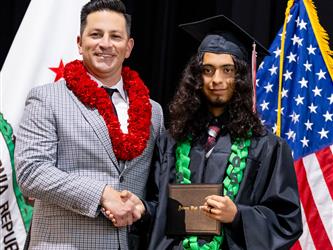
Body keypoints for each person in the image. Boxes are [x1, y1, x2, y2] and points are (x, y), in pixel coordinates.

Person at [143, 15, 303, 249]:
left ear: (240, 78)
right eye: (208, 70)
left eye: (227, 70)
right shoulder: (170, 142)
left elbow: (287, 221)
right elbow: (158, 206)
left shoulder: (268, 147)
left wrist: (238, 216)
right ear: (196, 78)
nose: (217, 79)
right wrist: (140, 208)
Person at [14, 0, 164, 249]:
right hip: (61, 244)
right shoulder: (46, 98)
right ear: (79, 43)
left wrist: (143, 208)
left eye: (115, 36)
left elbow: (154, 185)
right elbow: (32, 172)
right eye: (96, 34)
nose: (105, 43)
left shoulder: (154, 112)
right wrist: (102, 194)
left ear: (128, 47)